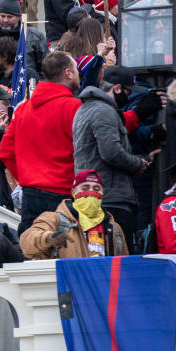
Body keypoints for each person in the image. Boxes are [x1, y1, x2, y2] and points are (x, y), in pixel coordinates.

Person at [73, 66, 154, 252]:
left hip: (97, 196)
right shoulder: (104, 111)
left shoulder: (85, 109)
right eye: (127, 91)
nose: (128, 96)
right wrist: (138, 163)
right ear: (117, 88)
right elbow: (111, 152)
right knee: (118, 260)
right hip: (111, 199)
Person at [0, 51, 82, 233]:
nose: (79, 73)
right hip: (64, 194)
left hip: (31, 193)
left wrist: (27, 178)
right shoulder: (74, 108)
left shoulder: (23, 110)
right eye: (76, 69)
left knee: (34, 254)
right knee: (67, 253)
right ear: (68, 73)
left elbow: (5, 152)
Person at [21, 170, 129, 258]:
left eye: (96, 189)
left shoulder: (114, 228)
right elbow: (27, 243)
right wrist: (48, 238)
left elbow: (124, 266)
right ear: (73, 192)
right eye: (85, 188)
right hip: (68, 283)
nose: (91, 192)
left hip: (103, 283)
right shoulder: (54, 219)